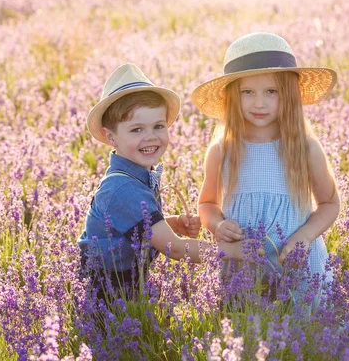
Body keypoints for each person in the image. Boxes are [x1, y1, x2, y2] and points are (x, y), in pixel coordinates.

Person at [77, 63, 249, 299]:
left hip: (128, 284)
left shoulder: (135, 175)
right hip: (105, 293)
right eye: (136, 129)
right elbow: (174, 247)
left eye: (158, 126)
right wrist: (235, 251)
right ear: (111, 137)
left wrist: (171, 223)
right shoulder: (123, 188)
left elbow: (129, 225)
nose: (150, 136)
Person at [193, 32, 340, 303]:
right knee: (249, 335)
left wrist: (304, 238)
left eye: (271, 91)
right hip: (244, 268)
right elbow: (207, 203)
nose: (258, 102)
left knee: (305, 333)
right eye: (247, 92)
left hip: (300, 266)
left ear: (289, 95)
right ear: (231, 98)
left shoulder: (304, 147)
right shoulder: (222, 150)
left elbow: (330, 203)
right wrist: (218, 224)